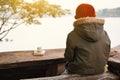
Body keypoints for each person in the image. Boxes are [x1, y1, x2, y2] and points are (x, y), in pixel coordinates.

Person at [64, 3, 111, 75]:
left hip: (78, 72)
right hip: (100, 71)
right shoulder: (104, 33)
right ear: (94, 15)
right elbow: (107, 53)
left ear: (77, 16)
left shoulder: (72, 35)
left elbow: (68, 57)